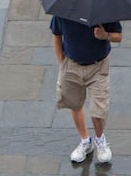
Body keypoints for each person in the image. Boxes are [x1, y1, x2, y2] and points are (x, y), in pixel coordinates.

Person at [51, 15, 122, 164]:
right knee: (74, 104)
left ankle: (100, 139)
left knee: (98, 111)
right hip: (71, 65)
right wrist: (62, 63)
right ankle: (85, 142)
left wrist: (105, 36)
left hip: (98, 66)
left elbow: (118, 36)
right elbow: (56, 35)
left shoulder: (103, 11)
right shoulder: (63, 11)